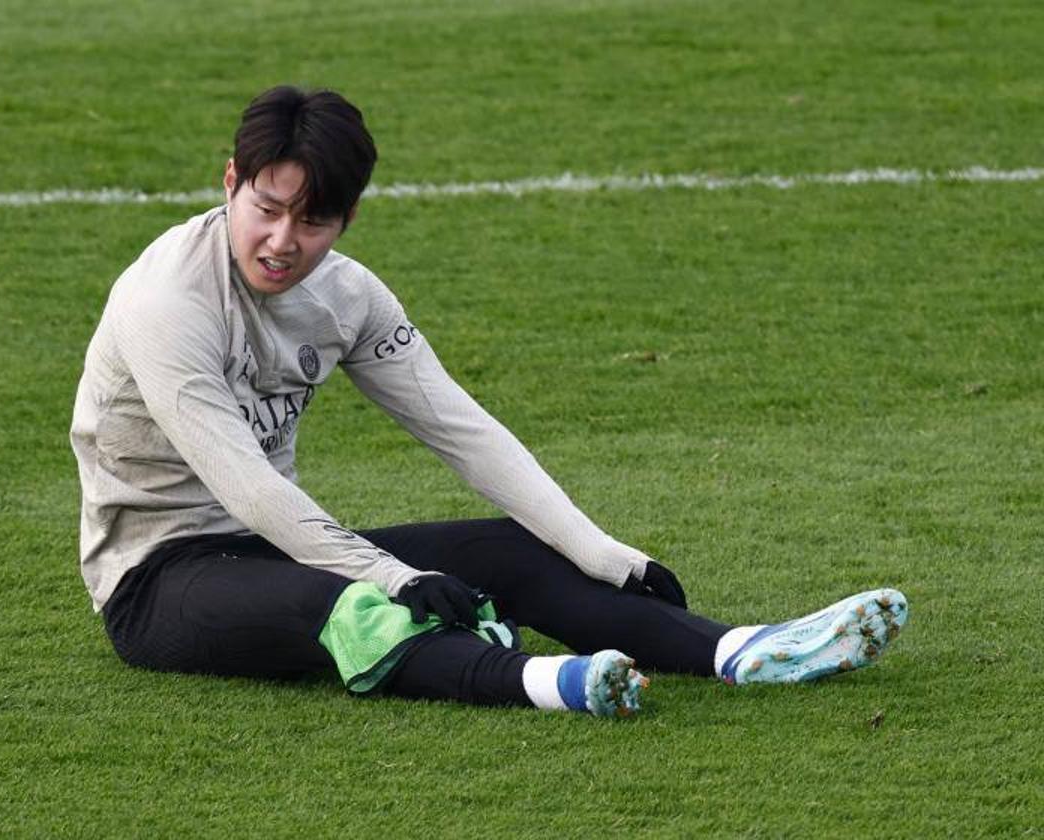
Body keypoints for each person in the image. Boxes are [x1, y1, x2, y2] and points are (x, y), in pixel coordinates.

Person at [70, 85, 907, 718]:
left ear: (349, 217)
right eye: (267, 210)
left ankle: (742, 649)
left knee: (513, 551)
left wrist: (604, 552)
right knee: (351, 606)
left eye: (314, 220)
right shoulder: (165, 302)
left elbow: (461, 429)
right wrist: (393, 577)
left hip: (271, 546)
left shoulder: (350, 297)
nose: (284, 241)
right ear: (232, 183)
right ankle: (552, 684)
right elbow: (244, 483)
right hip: (158, 579)